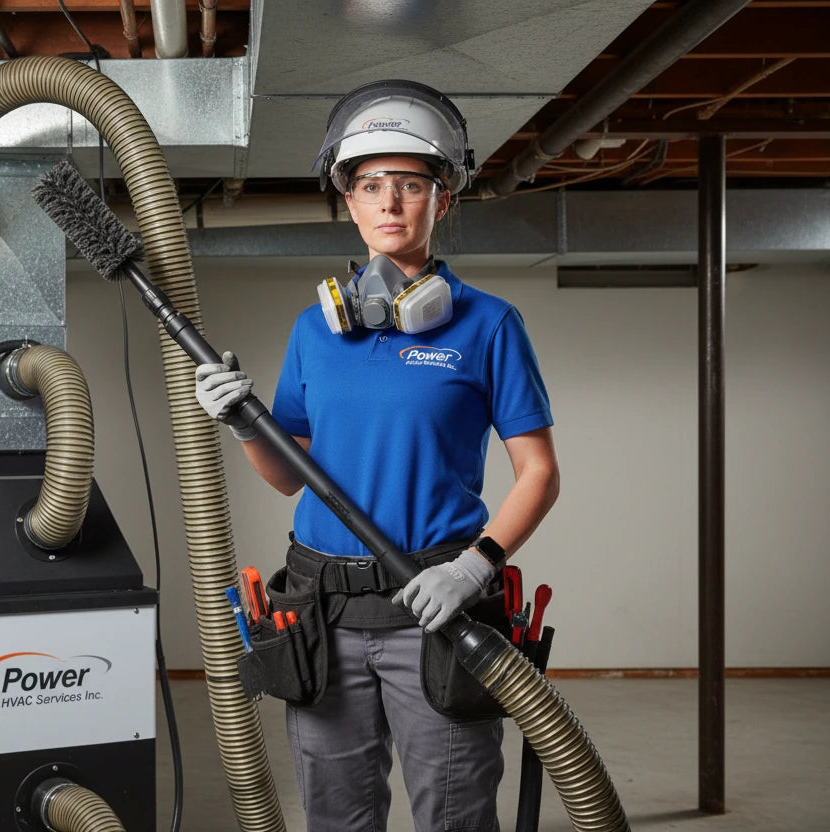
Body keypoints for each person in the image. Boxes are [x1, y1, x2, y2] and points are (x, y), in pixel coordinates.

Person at [195, 80, 560, 831]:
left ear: (443, 198)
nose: (390, 202)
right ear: (349, 200)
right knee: (338, 820)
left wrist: (474, 566)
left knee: (454, 817)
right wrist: (239, 423)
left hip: (438, 613)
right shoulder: (314, 332)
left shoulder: (490, 326)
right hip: (320, 617)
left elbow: (541, 474)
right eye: (369, 185)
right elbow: (284, 474)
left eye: (410, 184)